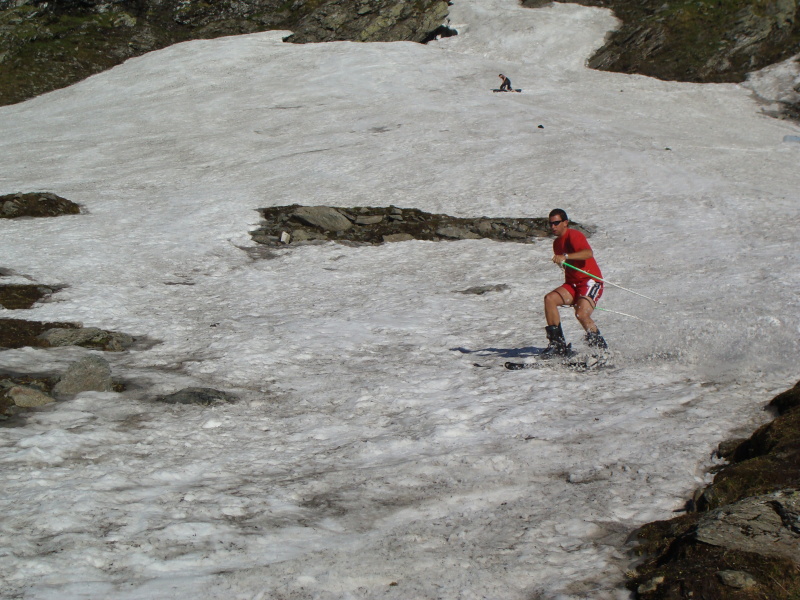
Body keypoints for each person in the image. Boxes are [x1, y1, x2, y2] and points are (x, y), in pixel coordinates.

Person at [542, 209, 608, 355]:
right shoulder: (556, 243)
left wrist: (565, 256)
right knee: (550, 299)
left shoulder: (574, 235)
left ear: (565, 223)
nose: (553, 226)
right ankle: (557, 345)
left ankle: (602, 352)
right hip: (573, 284)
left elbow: (588, 253)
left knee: (581, 313)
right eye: (550, 224)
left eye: (556, 223)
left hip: (590, 281)